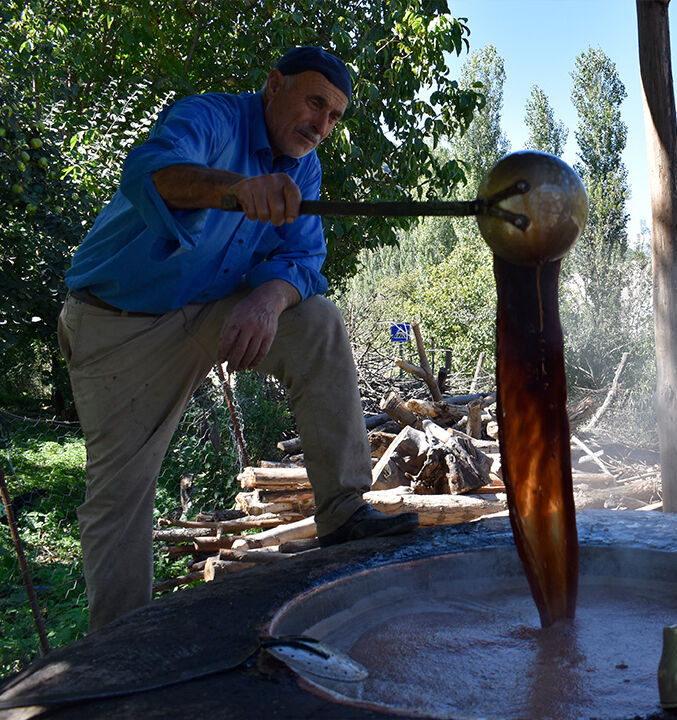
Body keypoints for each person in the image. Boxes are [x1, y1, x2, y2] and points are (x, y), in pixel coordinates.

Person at [59, 46, 419, 631]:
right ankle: (119, 651)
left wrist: (267, 297)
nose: (322, 126)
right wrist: (231, 188)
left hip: (206, 312)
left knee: (318, 321)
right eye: (314, 103)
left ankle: (344, 513)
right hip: (115, 325)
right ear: (274, 86)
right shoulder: (211, 118)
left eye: (334, 117)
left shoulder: (303, 167)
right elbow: (149, 171)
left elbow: (303, 258)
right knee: (121, 495)